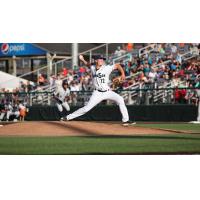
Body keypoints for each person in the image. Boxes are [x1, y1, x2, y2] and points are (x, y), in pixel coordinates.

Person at [61, 54, 136, 126]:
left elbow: (117, 65)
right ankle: (67, 117)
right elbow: (88, 64)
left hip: (107, 91)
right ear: (96, 60)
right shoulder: (93, 67)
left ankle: (126, 120)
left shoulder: (106, 68)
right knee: (86, 108)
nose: (102, 60)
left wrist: (123, 74)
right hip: (97, 93)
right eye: (100, 59)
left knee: (120, 99)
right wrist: (83, 59)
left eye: (102, 59)